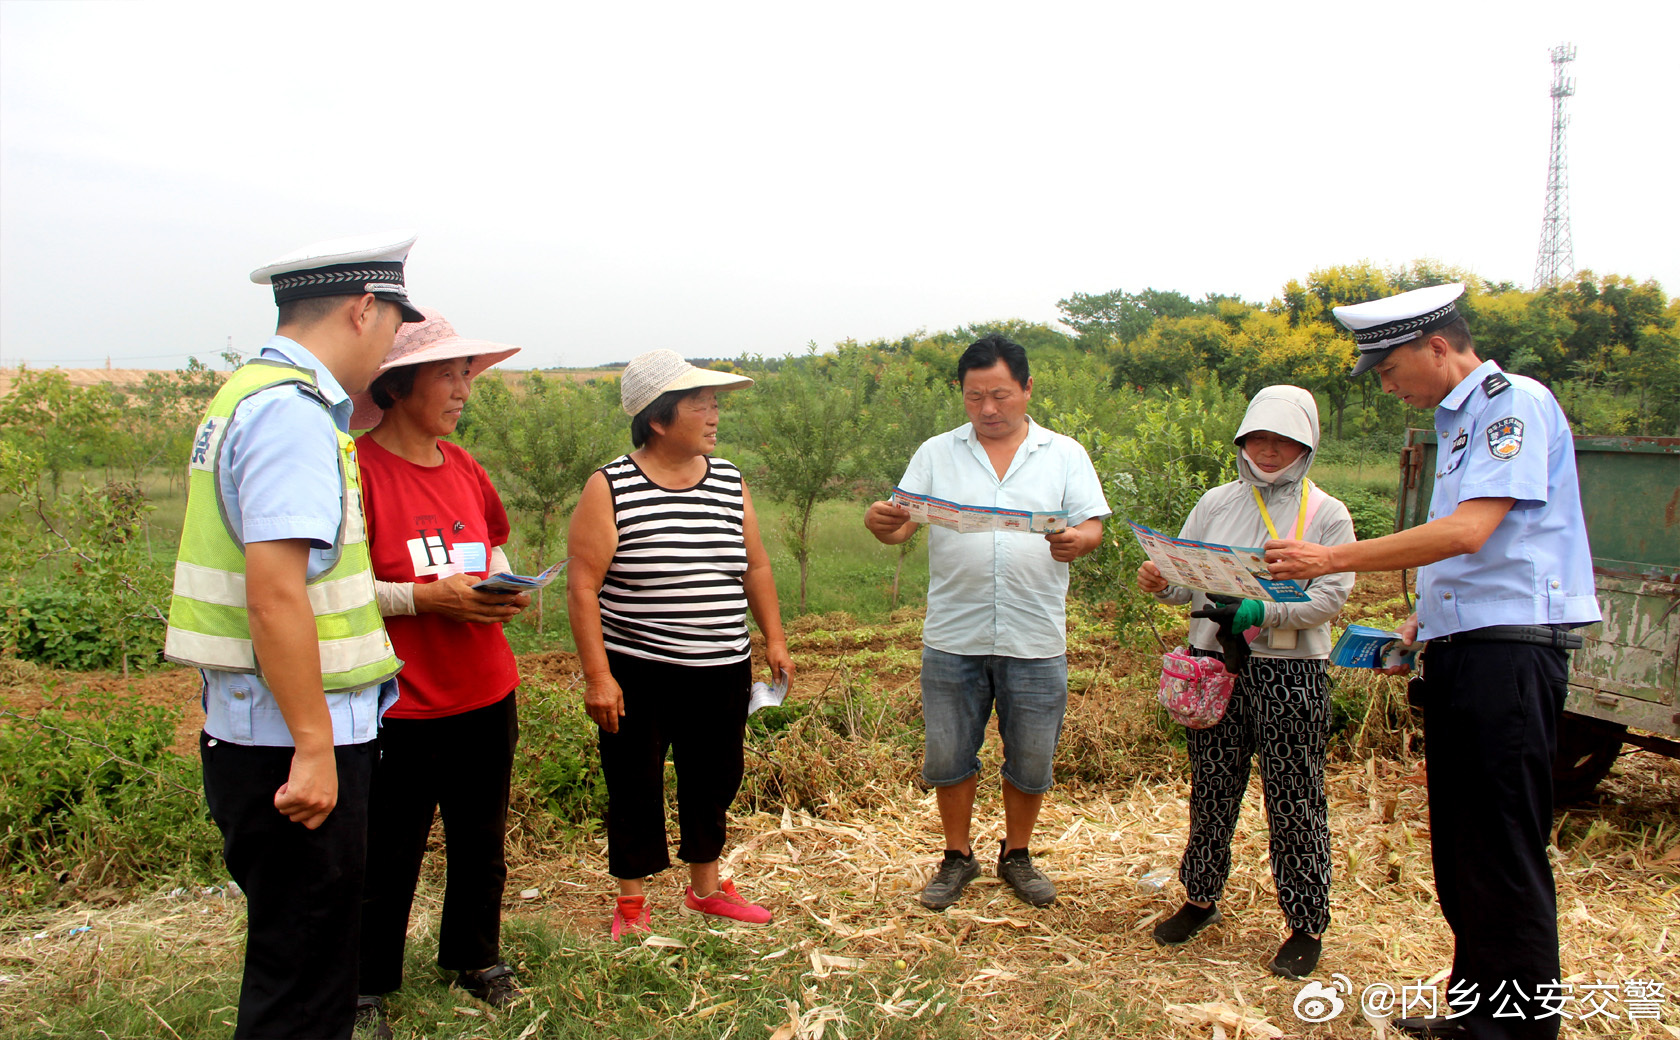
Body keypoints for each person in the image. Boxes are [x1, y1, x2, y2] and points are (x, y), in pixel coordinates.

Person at [1267, 283, 1600, 1040]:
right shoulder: (1461, 424)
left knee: (1503, 846)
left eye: (1390, 372)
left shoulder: (1511, 405)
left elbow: (1470, 532)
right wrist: (1424, 623)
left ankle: (1518, 1030)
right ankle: (1478, 1012)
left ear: (1437, 347)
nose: (1389, 389)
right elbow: (1475, 554)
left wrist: (1329, 556)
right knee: (1464, 843)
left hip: (1510, 656)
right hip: (1467, 649)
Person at [163, 231, 424, 1039]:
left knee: (302, 957)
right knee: (305, 982)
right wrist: (314, 746)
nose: (390, 350)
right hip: (291, 740)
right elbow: (277, 597)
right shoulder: (291, 415)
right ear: (363, 309)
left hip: (263, 726)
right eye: (392, 329)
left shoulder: (245, 394)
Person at [863, 335, 1110, 910]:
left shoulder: (1064, 454)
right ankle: (956, 857)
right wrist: (883, 523)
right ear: (963, 395)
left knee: (1029, 758)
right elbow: (902, 524)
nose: (988, 410)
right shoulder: (936, 453)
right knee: (948, 755)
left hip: (1035, 633)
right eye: (974, 398)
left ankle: (1017, 855)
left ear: (1026, 389)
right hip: (954, 633)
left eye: (1000, 395)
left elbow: (1092, 525)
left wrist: (1080, 541)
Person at [565, 349, 794, 937]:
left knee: (714, 776)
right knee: (634, 779)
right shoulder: (609, 485)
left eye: (715, 403)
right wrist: (599, 675)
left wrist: (774, 637)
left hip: (722, 666)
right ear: (660, 419)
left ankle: (706, 888)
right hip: (638, 668)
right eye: (701, 405)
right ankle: (632, 904)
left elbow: (755, 565)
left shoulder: (727, 479)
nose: (715, 414)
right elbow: (583, 587)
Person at [1134, 385, 1355, 980]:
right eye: (1259, 438)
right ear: (1242, 442)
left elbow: (1330, 599)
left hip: (1292, 671)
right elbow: (1188, 582)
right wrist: (1163, 581)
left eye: (1284, 440)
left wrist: (1269, 613)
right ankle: (1200, 898)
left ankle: (1305, 923)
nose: (1270, 450)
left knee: (1295, 796)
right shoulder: (1214, 503)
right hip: (1216, 664)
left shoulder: (1326, 514)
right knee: (1211, 786)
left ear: (1305, 445)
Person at [349, 311, 529, 1033]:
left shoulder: (463, 467)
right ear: (397, 384)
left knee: (481, 838)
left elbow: (491, 546)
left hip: (486, 688)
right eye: (448, 376)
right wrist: (424, 599)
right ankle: (364, 983)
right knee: (386, 850)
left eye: (466, 376)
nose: (463, 391)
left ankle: (475, 956)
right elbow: (331, 586)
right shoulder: (356, 469)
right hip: (401, 701)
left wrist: (506, 585)